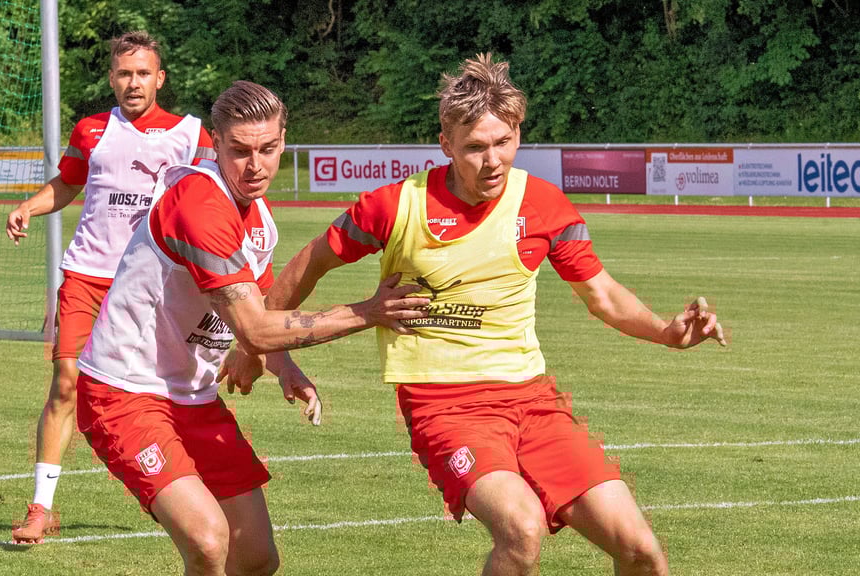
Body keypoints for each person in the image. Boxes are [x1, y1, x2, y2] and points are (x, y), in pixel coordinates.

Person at [265, 54, 727, 576]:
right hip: (444, 406)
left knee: (641, 550)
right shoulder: (396, 206)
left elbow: (602, 295)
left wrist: (666, 331)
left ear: (518, 133)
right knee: (521, 528)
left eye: (503, 142)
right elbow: (312, 261)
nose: (493, 160)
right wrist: (259, 344)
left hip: (532, 400)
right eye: (475, 148)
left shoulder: (544, 205)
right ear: (446, 144)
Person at [74, 80, 427, 576]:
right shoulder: (199, 204)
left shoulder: (257, 214)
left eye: (267, 149)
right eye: (240, 151)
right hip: (124, 392)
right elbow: (256, 330)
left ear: (283, 142)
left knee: (257, 558)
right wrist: (368, 312)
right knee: (208, 541)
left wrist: (284, 366)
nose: (255, 165)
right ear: (216, 143)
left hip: (193, 399)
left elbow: (260, 309)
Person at [4, 31, 218, 544]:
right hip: (87, 276)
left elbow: (214, 198)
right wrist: (29, 206)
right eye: (124, 73)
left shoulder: (191, 135)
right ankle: (41, 508)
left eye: (143, 73)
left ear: (160, 78)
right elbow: (68, 184)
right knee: (65, 384)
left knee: (163, 393)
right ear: (111, 78)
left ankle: (175, 488)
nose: (133, 82)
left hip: (153, 286)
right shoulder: (91, 129)